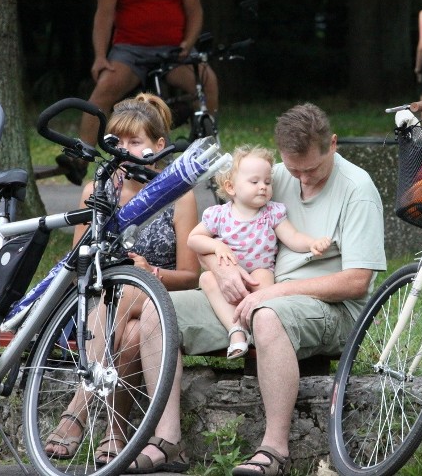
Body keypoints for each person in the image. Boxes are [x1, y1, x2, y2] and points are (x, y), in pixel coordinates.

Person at [133, 103, 387, 475]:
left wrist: (271, 295)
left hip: (330, 308)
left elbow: (356, 282)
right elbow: (215, 236)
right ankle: (168, 442)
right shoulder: (273, 176)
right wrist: (220, 272)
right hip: (255, 294)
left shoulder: (357, 190)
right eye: (294, 168)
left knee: (267, 316)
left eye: (312, 169)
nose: (302, 179)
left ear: (333, 144)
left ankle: (275, 451)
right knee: (158, 310)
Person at [41, 93, 200, 466]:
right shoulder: (98, 192)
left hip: (159, 298)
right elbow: (76, 265)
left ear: (158, 147)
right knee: (126, 328)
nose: (124, 151)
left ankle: (77, 411)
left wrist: (152, 273)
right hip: (98, 306)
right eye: (117, 143)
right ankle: (115, 430)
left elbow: (192, 277)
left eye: (136, 142)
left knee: (131, 289)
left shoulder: (179, 197)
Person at [57, 0, 219, 185]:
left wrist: (188, 43)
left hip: (173, 49)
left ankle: (209, 145)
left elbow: (194, 11)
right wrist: (99, 56)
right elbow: (104, 16)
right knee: (103, 90)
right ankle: (80, 156)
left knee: (206, 79)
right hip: (130, 49)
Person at [188, 145, 332, 360]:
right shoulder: (218, 216)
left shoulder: (271, 213)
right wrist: (217, 246)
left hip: (257, 273)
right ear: (231, 187)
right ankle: (236, 330)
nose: (263, 187)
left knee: (264, 277)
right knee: (207, 278)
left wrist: (312, 243)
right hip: (226, 275)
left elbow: (292, 237)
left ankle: (258, 328)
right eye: (254, 182)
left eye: (267, 182)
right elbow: (194, 239)